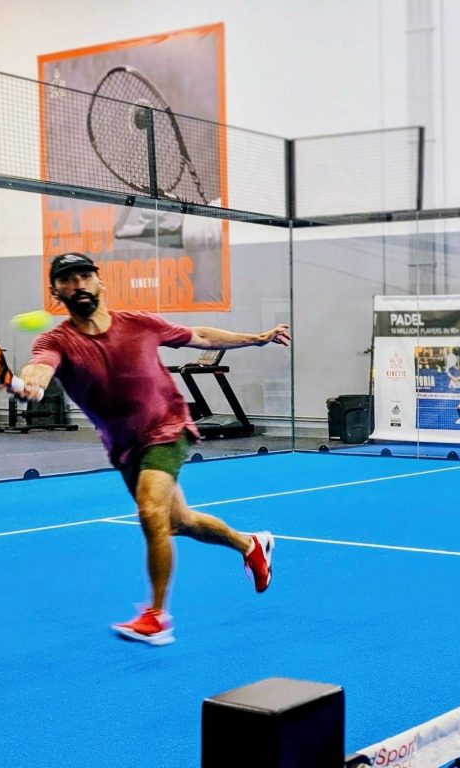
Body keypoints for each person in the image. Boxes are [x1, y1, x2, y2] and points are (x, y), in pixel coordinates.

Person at [16, 252, 292, 645]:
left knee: (150, 511)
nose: (77, 284)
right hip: (125, 448)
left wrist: (257, 338)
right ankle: (251, 545)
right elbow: (40, 365)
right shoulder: (56, 340)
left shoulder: (139, 323)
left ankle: (157, 616)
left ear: (100, 282)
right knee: (178, 521)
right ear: (54, 291)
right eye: (66, 279)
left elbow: (201, 335)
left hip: (167, 426)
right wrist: (33, 382)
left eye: (83, 276)